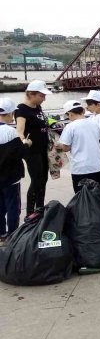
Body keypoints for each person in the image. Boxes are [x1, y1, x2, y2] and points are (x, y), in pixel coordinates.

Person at [15, 80, 51, 217]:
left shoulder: (38, 107)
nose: (44, 99)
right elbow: (19, 130)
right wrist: (24, 140)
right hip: (32, 150)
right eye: (41, 96)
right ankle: (30, 214)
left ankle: (40, 208)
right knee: (36, 180)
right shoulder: (21, 109)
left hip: (43, 148)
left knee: (44, 179)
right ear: (31, 94)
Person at [56, 100, 100, 195]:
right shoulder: (94, 123)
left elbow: (66, 148)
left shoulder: (70, 127)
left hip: (80, 168)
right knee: (97, 196)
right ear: (82, 111)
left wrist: (58, 145)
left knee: (82, 197)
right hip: (97, 166)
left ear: (70, 113)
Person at [0, 99, 31, 243]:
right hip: (11, 177)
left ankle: (1, 234)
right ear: (10, 113)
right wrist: (26, 144)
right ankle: (13, 235)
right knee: (13, 206)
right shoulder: (11, 132)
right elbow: (19, 153)